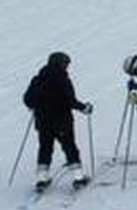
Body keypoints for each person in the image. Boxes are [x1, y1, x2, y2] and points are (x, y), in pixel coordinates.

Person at [22, 51, 93, 193]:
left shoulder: (37, 79)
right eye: (66, 64)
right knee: (69, 147)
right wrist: (84, 108)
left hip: (42, 123)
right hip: (62, 122)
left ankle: (42, 179)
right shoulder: (62, 80)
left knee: (45, 148)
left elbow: (27, 99)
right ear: (60, 64)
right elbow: (70, 101)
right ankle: (78, 178)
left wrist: (35, 105)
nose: (67, 67)